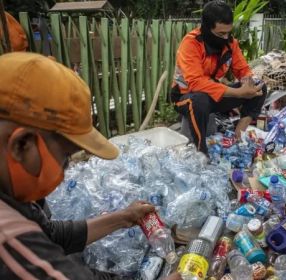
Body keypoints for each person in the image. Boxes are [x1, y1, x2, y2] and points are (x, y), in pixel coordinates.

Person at [0, 53, 181, 280]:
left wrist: (124, 217)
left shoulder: (13, 194)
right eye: (66, 156)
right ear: (21, 145)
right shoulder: (10, 239)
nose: (65, 170)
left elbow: (51, 236)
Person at [171, 0, 267, 154]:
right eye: (221, 33)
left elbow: (242, 69)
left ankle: (239, 133)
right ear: (206, 29)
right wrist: (237, 92)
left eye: (229, 32)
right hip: (185, 97)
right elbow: (196, 83)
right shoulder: (191, 44)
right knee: (199, 100)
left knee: (259, 85)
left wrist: (248, 83)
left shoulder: (230, 43)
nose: (226, 37)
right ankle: (201, 152)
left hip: (214, 95)